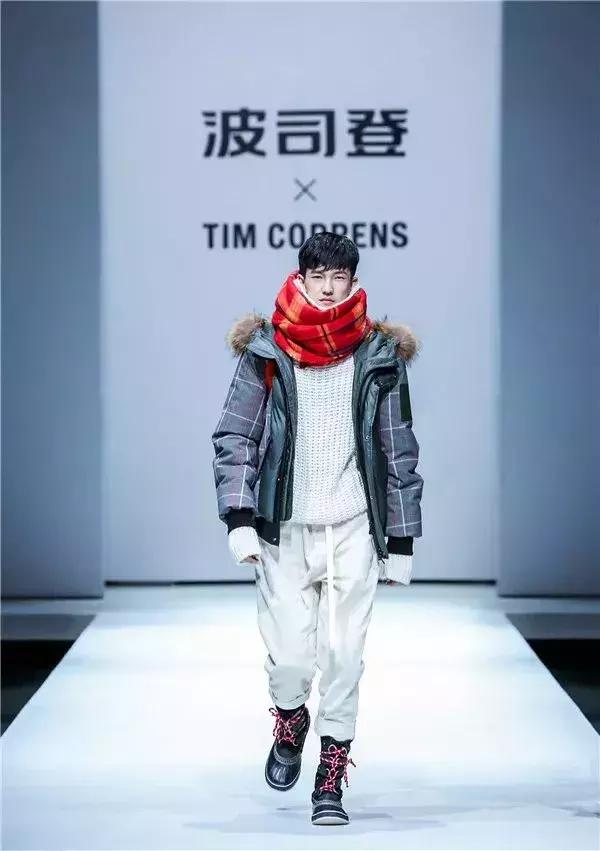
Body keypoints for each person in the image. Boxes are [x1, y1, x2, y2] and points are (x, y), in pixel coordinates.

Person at [211, 232, 424, 826]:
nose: (329, 289)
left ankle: (330, 774)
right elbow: (236, 436)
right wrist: (238, 517)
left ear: (354, 282)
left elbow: (398, 447)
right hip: (283, 525)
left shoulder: (378, 355)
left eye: (340, 278)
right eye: (319, 277)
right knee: (289, 661)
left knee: (344, 654)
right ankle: (290, 718)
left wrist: (401, 538)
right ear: (301, 278)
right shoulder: (267, 350)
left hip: (353, 525)